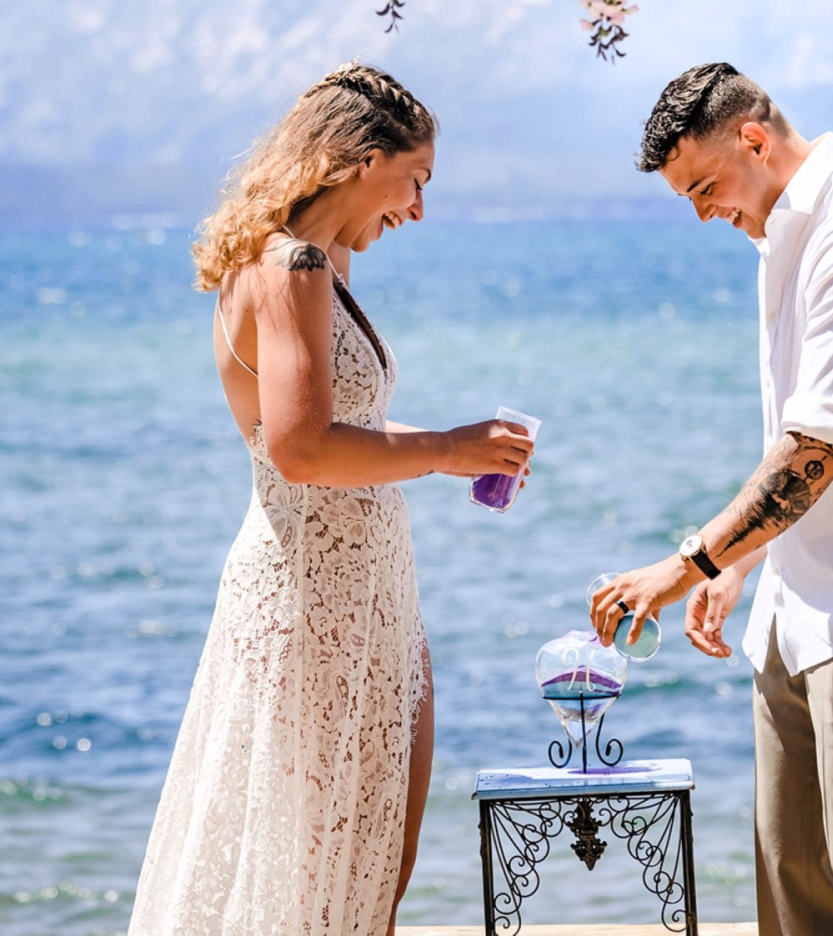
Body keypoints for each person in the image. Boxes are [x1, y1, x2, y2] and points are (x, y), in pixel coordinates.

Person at [128, 63, 534, 936]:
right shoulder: (292, 265)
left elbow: (330, 424)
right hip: (312, 602)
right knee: (322, 873)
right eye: (413, 180)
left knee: (365, 868)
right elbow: (301, 448)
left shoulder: (318, 262)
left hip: (366, 595)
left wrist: (454, 451)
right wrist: (446, 451)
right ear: (358, 159)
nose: (417, 208)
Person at [590, 61, 833, 936]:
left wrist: (687, 563)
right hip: (801, 599)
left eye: (705, 187)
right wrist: (742, 564)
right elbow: (807, 433)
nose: (702, 212)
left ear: (754, 139)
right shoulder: (787, 234)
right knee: (793, 871)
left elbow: (815, 452)